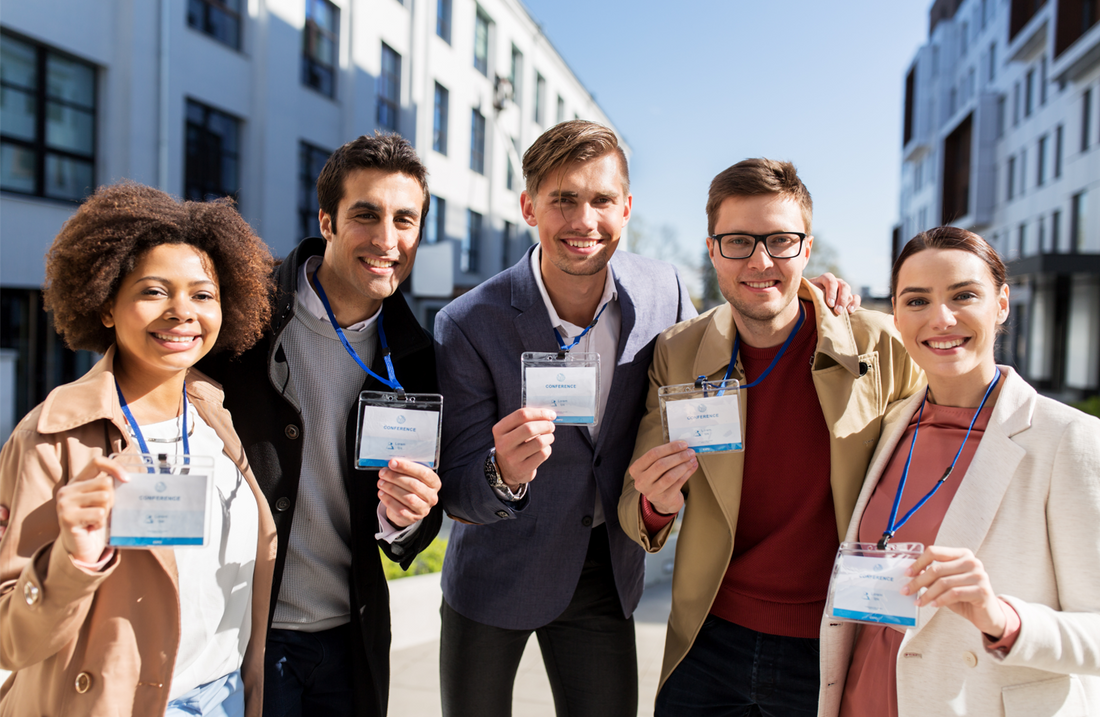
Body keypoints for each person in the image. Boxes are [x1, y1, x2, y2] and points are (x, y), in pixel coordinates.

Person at [433, 124, 858, 716]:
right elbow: (456, 485)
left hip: (608, 575)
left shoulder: (662, 290)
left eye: (602, 200)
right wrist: (501, 473)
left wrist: (812, 295)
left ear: (626, 208)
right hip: (496, 576)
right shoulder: (468, 322)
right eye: (563, 199)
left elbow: (718, 343)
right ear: (529, 206)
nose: (585, 220)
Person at [620, 158, 925, 716]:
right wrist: (657, 502)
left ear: (807, 250)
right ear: (712, 251)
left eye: (780, 241)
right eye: (738, 241)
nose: (761, 261)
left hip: (832, 643)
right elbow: (635, 505)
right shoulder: (678, 351)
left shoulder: (881, 346)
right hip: (709, 641)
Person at [0, 182, 276, 717]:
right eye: (154, 291)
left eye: (202, 294)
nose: (182, 312)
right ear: (106, 306)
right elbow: (10, 637)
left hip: (225, 696)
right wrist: (72, 560)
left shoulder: (215, 417)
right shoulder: (50, 436)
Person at [201, 133, 443, 717]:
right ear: (327, 222)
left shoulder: (418, 356)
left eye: (404, 220)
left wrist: (408, 515)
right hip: (243, 632)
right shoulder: (242, 316)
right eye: (366, 215)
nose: (387, 239)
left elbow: (420, 519)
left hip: (351, 638)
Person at [819, 226, 1100, 717]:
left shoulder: (1066, 439)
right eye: (917, 300)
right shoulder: (888, 427)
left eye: (964, 295)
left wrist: (1001, 617)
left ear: (1002, 304)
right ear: (897, 316)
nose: (941, 319)